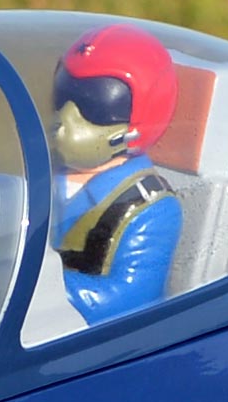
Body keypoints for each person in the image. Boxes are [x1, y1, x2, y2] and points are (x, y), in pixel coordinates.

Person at [50, 24, 183, 324]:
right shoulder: (41, 177)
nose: (65, 120)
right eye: (64, 95)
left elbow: (125, 300)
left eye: (94, 104)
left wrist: (38, 281)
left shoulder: (150, 209)